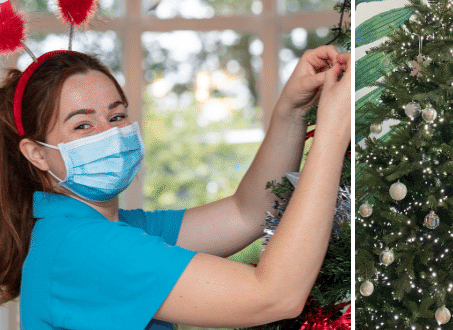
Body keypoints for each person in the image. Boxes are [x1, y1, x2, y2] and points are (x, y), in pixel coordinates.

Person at [1, 45, 350, 329]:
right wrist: (334, 131)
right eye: (82, 126)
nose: (109, 134)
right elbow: (274, 296)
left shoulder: (104, 228)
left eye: (117, 116)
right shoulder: (83, 245)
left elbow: (248, 212)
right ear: (36, 154)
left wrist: (291, 111)